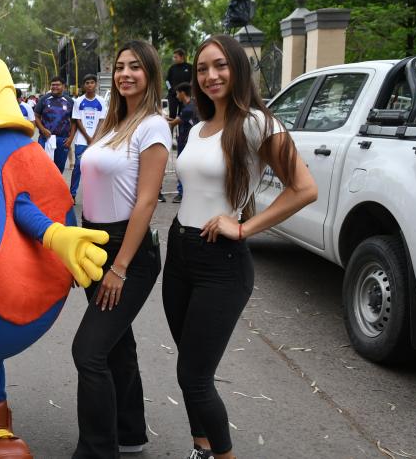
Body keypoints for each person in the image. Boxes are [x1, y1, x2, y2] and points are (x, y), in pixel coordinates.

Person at [163, 34, 317, 459]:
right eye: (202, 69)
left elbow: (304, 188)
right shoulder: (198, 127)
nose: (210, 76)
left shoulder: (256, 124)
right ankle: (201, 449)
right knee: (189, 368)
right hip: (180, 253)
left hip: (221, 262)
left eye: (220, 66)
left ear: (238, 69)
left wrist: (245, 227)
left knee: (194, 376)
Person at [71, 41, 169, 458]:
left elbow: (146, 202)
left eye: (136, 67)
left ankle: (97, 450)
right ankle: (129, 433)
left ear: (150, 74)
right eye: (120, 67)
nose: (125, 73)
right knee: (116, 345)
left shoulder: (153, 126)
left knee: (88, 352)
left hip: (127, 251)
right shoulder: (114, 124)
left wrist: (121, 267)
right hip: (95, 245)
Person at [66, 74, 107, 201]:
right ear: (83, 86)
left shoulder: (101, 101)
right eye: (87, 83)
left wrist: (94, 138)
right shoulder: (78, 101)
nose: (90, 85)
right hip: (81, 141)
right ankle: (72, 194)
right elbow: (77, 120)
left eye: (92, 82)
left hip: (97, 141)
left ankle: (94, 195)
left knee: (95, 168)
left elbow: (102, 121)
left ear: (96, 84)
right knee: (78, 167)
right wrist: (88, 137)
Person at [34, 76, 74, 173]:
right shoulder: (44, 99)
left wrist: (70, 138)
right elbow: (36, 116)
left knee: (59, 169)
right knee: (43, 167)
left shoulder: (69, 101)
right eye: (53, 85)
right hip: (45, 138)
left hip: (62, 140)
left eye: (58, 85)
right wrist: (43, 129)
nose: (55, 87)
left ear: (63, 86)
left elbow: (74, 121)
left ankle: (57, 183)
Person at [167, 82, 197, 203]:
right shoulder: (190, 106)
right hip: (187, 142)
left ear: (182, 93)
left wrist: (159, 119)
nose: (176, 96)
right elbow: (177, 120)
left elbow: (173, 123)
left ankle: (182, 193)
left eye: (177, 93)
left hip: (185, 143)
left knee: (182, 168)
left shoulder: (188, 109)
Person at [166, 48, 192, 120]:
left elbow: (193, 80)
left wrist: (190, 89)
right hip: (173, 95)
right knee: (172, 115)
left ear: (182, 57)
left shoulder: (190, 67)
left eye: (176, 57)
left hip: (184, 96)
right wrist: (170, 89)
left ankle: (182, 128)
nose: (174, 59)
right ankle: (171, 127)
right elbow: (167, 81)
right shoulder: (172, 68)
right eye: (174, 57)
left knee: (183, 116)